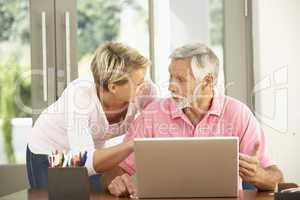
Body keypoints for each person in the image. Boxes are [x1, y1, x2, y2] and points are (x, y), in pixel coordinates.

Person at [102, 43, 284, 197]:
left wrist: (257, 175)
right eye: (170, 76)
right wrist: (118, 180)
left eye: (180, 79)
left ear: (207, 81)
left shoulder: (238, 114)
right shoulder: (152, 114)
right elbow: (114, 170)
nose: (171, 85)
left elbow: (276, 178)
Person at [26, 42, 156, 190]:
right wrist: (131, 145)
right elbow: (84, 162)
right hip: (52, 151)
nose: (144, 86)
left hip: (90, 153)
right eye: (138, 83)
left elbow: (158, 119)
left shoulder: (145, 89)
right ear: (113, 87)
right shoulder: (79, 97)